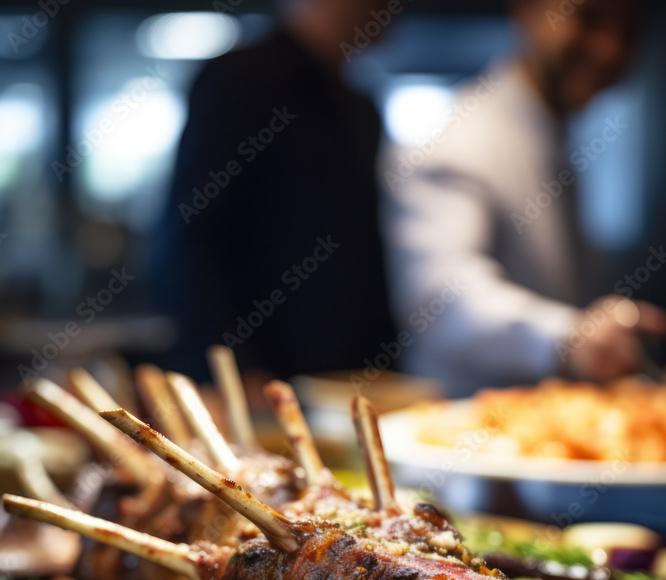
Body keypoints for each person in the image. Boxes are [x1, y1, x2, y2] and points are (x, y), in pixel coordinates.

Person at [385, 0, 666, 398]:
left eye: (629, 31)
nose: (611, 49)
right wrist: (571, 338)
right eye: (588, 17)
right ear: (526, 11)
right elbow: (440, 299)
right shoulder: (459, 139)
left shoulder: (554, 140)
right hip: (461, 440)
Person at [151, 0, 397, 385]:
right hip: (259, 385)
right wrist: (236, 368)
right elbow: (192, 236)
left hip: (346, 378)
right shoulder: (240, 80)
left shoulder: (358, 106)